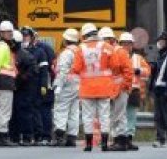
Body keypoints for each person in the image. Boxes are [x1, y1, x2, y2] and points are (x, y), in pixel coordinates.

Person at [72, 23, 115, 152]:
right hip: (104, 87)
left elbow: (76, 68)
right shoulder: (107, 47)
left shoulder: (80, 49)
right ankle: (105, 144)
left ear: (85, 35)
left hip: (87, 88)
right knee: (104, 115)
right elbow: (114, 65)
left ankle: (89, 144)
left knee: (87, 116)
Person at [102, 28, 134, 152]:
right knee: (120, 115)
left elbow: (128, 70)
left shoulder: (118, 52)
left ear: (110, 40)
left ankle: (120, 141)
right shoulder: (111, 52)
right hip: (115, 89)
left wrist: (125, 86)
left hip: (120, 88)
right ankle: (122, 140)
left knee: (118, 116)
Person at [0, 20, 18, 147]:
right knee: (5, 110)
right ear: (1, 33)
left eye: (11, 32)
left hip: (2, 81)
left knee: (0, 109)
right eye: (8, 32)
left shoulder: (1, 46)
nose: (10, 34)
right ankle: (2, 135)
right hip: (4, 81)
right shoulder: (3, 46)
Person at [51, 28, 81, 147]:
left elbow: (62, 71)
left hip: (66, 83)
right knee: (74, 111)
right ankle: (72, 138)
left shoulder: (66, 53)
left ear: (66, 40)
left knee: (61, 109)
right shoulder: (80, 51)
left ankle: (59, 136)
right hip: (78, 84)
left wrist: (58, 85)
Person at [10, 29, 40, 146]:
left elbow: (34, 70)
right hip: (14, 87)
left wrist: (23, 77)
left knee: (25, 112)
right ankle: (14, 136)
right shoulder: (9, 53)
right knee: (14, 113)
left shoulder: (25, 55)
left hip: (25, 88)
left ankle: (27, 136)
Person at [30, 28, 56, 146]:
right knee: (40, 109)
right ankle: (42, 135)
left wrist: (45, 84)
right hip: (41, 82)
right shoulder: (44, 48)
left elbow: (49, 67)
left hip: (45, 82)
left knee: (44, 109)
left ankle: (45, 135)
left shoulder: (42, 49)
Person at [124, 33, 150, 151]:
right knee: (119, 116)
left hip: (134, 90)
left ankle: (129, 137)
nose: (126, 46)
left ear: (132, 45)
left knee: (131, 116)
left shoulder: (138, 58)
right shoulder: (117, 56)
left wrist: (138, 71)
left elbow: (147, 71)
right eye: (124, 43)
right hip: (120, 90)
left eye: (128, 44)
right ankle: (120, 138)